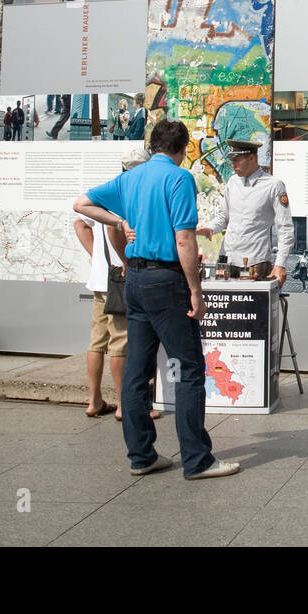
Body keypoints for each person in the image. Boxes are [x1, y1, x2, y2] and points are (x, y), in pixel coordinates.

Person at [74, 119, 238, 480]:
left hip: (134, 277)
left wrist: (118, 222)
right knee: (190, 369)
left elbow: (82, 204)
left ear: (152, 146)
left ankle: (141, 455)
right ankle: (197, 459)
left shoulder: (131, 177)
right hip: (166, 279)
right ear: (182, 150)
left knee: (137, 369)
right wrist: (196, 290)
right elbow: (184, 239)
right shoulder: (179, 178)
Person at [73, 146, 161, 421]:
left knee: (97, 342)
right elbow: (114, 229)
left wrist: (95, 256)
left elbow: (80, 223)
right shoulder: (132, 193)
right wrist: (124, 260)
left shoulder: (109, 191)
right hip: (119, 278)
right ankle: (125, 404)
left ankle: (94, 400)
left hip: (100, 277)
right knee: (121, 342)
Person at [196, 139, 294, 284]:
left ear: (251, 157)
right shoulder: (232, 182)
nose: (232, 164)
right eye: (231, 159)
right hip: (227, 260)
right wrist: (211, 228)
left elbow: (285, 228)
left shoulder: (273, 185)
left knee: (252, 305)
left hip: (256, 262)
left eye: (236, 159)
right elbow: (223, 216)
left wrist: (280, 264)